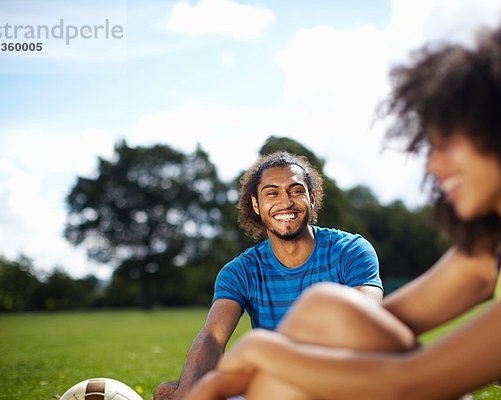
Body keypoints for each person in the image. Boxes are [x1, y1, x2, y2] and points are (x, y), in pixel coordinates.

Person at [184, 12, 501, 400]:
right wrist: (232, 377)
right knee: (323, 308)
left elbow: (409, 381)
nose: (433, 165)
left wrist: (257, 351)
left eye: (447, 143)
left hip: (409, 382)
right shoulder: (496, 251)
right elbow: (348, 325)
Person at [154, 151, 385, 400]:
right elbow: (212, 337)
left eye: (296, 191)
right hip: (276, 389)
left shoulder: (351, 251)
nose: (285, 202)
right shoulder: (240, 272)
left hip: (343, 385)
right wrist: (189, 391)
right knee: (173, 392)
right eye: (272, 193)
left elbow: (365, 326)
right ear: (256, 204)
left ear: (312, 197)